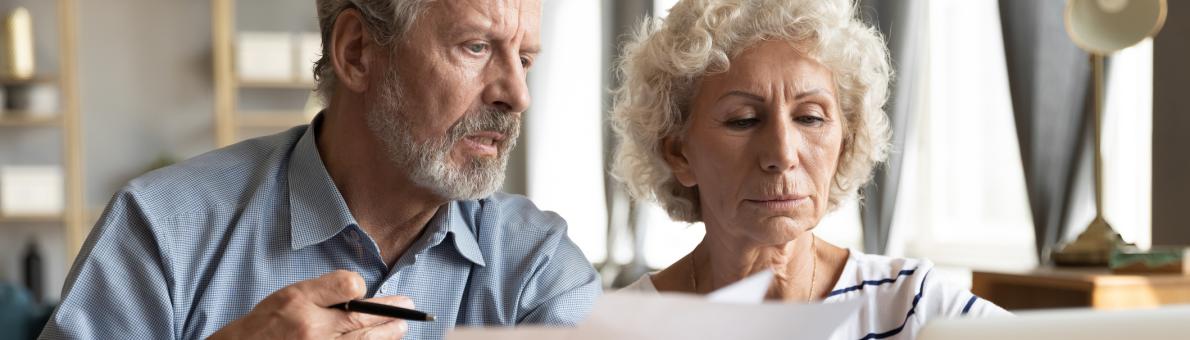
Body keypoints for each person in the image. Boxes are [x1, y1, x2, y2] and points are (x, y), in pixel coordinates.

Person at [39, 0, 600, 339]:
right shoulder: (161, 232)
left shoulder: (535, 267)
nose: (517, 94)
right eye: (477, 47)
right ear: (357, 52)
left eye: (524, 59)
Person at [610, 0, 1009, 339]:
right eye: (744, 120)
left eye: (810, 118)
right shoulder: (625, 326)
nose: (783, 154)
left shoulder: (913, 307)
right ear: (679, 153)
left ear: (846, 139)